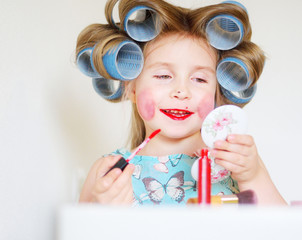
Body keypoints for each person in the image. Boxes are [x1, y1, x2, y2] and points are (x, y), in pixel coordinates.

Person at [76, 0, 287, 205]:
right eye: (163, 76)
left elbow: (289, 231)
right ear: (131, 87)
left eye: (199, 79)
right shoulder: (109, 172)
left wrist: (252, 177)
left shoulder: (236, 164)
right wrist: (101, 211)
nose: (182, 91)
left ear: (218, 93)